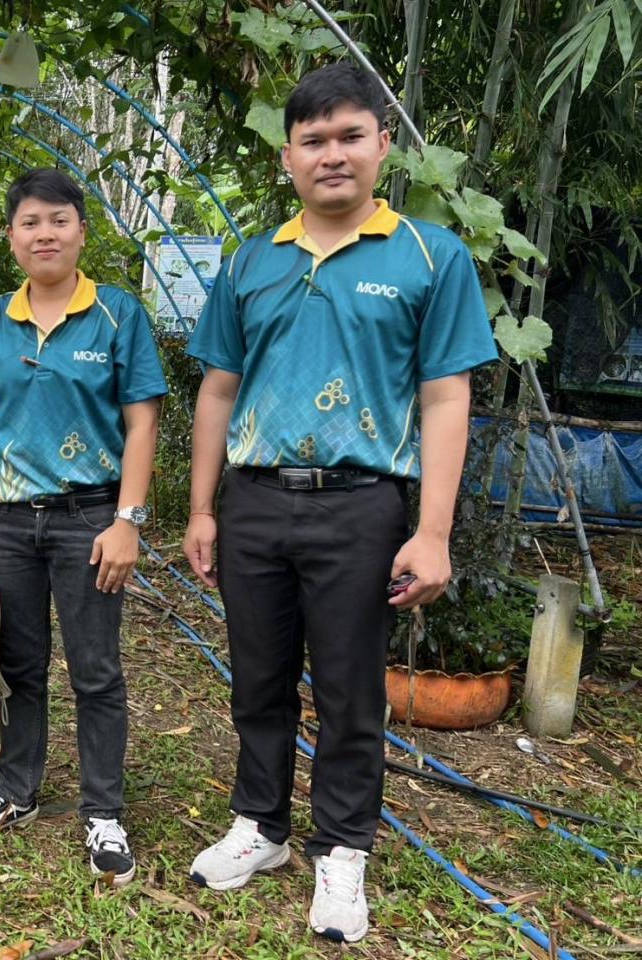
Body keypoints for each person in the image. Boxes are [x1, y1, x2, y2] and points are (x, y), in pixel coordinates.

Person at [182, 63, 498, 942]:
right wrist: (203, 508)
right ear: (287, 155)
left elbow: (445, 397)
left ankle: (343, 850)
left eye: (350, 136)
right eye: (313, 141)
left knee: (353, 688)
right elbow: (217, 389)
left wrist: (432, 531)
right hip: (253, 500)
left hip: (362, 506)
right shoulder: (253, 258)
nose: (332, 155)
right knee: (258, 674)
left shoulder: (432, 256)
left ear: (383, 146)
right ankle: (262, 827)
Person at [0, 168, 167, 887]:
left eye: (59, 220)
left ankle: (103, 811)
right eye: (30, 222)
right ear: (11, 237)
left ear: (81, 230)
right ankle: (17, 790)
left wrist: (128, 519)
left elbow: (142, 420)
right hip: (7, 522)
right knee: (16, 664)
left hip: (88, 519)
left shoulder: (117, 316)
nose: (45, 233)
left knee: (96, 669)